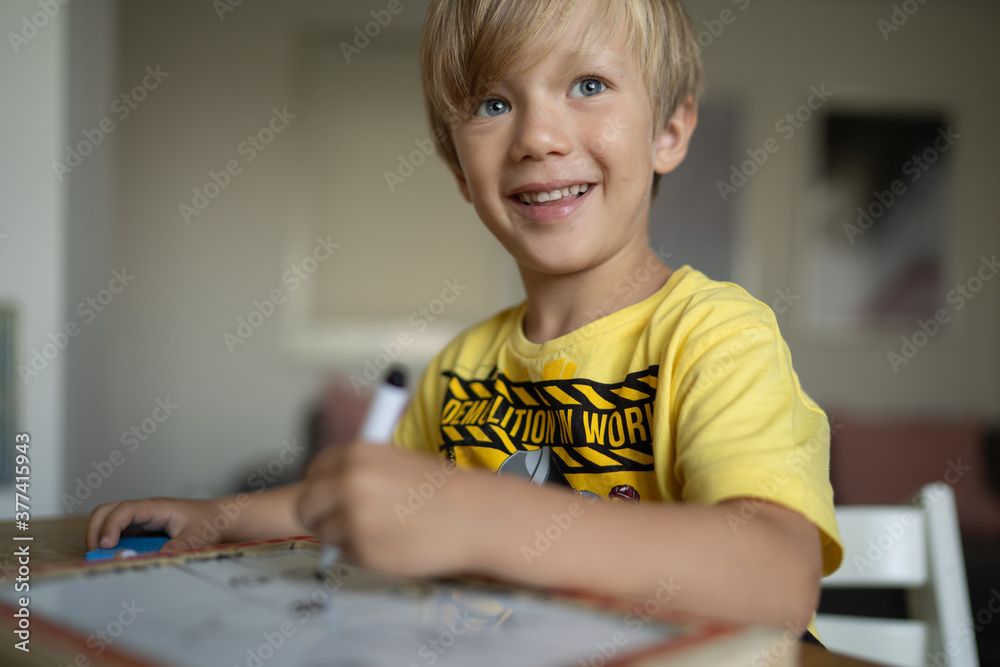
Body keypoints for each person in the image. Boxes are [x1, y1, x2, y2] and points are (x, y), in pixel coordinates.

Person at [87, 0, 843, 636]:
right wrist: (220, 516)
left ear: (668, 133)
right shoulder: (462, 367)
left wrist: (485, 518)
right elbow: (365, 500)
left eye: (588, 83)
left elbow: (777, 575)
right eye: (493, 104)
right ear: (458, 168)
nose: (539, 137)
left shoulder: (716, 336)